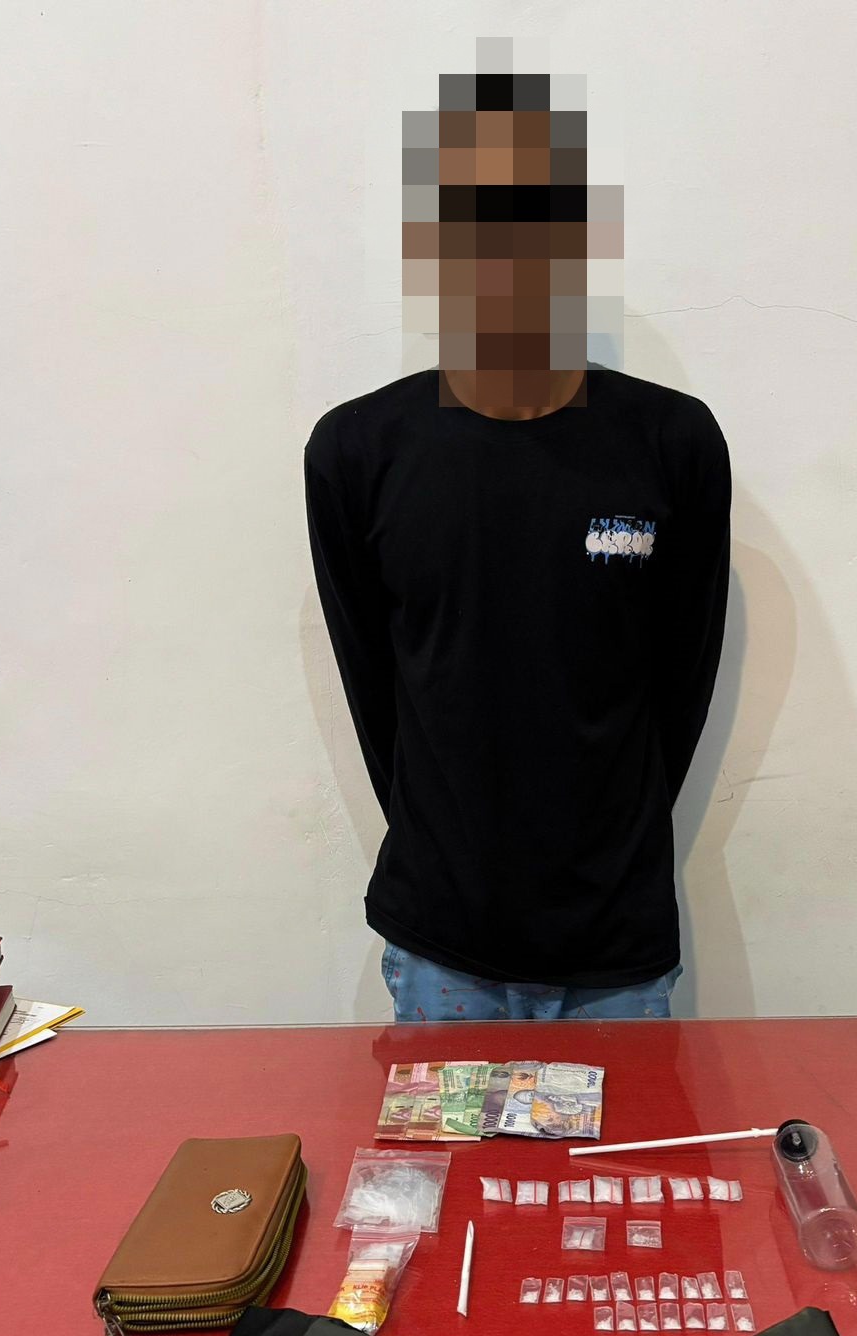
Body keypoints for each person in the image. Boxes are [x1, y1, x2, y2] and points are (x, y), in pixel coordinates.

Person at [306, 59, 730, 1024]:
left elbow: (680, 689)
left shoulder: (672, 444)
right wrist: (454, 852)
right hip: (442, 947)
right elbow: (377, 695)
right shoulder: (357, 453)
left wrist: (603, 847)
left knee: (632, 1139)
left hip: (618, 953)